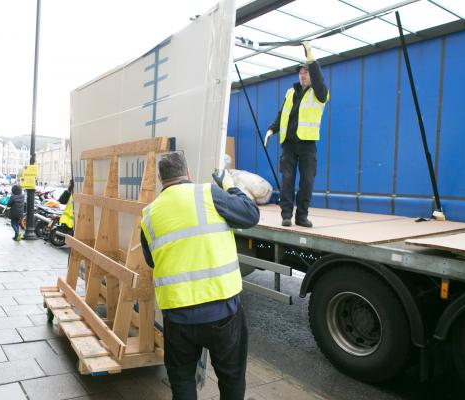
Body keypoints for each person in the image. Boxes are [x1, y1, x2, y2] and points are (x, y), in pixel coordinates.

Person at [140, 152, 260, 400]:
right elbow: (251, 215)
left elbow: (152, 260)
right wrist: (229, 185)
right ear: (188, 173)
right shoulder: (208, 194)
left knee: (182, 379)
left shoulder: (149, 215)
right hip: (223, 311)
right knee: (232, 377)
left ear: (162, 179)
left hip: (178, 316)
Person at [264, 41, 329, 228]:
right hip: (289, 144)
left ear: (312, 75)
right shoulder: (290, 92)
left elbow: (319, 80)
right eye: (301, 72)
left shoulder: (320, 93)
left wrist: (311, 57)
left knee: (307, 182)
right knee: (287, 180)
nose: (302, 74)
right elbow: (282, 115)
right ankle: (286, 215)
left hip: (308, 144)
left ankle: (302, 216)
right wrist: (271, 129)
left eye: (306, 71)